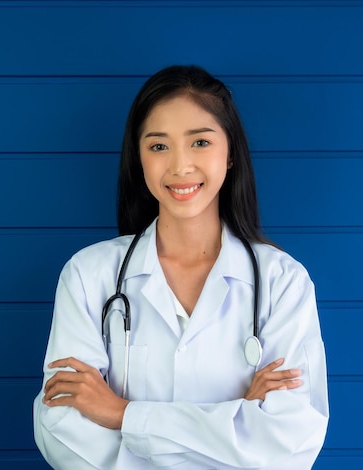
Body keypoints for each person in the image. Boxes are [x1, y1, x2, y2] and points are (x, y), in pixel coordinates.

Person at [33, 65, 329, 469]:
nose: (179, 166)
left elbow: (290, 443)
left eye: (200, 142)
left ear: (230, 156)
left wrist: (122, 414)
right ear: (138, 158)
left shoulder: (283, 282)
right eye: (158, 146)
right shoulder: (89, 276)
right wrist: (235, 422)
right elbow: (62, 428)